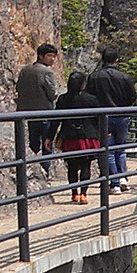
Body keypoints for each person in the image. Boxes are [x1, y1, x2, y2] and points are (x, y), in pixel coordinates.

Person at [89, 46, 137, 187]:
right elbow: (132, 96)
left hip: (103, 117)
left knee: (108, 150)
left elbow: (89, 97)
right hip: (122, 116)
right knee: (121, 148)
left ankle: (114, 183)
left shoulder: (95, 77)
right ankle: (122, 178)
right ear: (117, 60)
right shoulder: (124, 77)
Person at [55, 72, 104, 204]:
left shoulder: (63, 99)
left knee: (72, 165)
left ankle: (74, 193)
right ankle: (83, 194)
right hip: (88, 136)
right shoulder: (91, 99)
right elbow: (99, 119)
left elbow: (56, 120)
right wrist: (104, 133)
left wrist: (50, 136)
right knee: (86, 165)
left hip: (69, 136)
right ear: (83, 84)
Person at [14, 42, 60, 177]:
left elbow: (18, 88)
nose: (52, 59)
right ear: (41, 56)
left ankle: (32, 169)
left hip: (28, 112)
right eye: (49, 56)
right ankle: (45, 171)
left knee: (33, 143)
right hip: (44, 112)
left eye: (54, 56)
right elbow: (52, 94)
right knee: (47, 143)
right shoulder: (47, 72)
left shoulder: (25, 70)